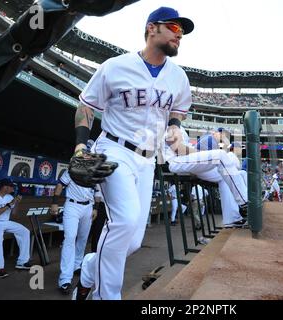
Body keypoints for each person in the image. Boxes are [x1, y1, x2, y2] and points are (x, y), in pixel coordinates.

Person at [72, 7, 195, 300]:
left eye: (183, 33)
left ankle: (89, 270)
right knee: (124, 221)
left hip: (147, 158)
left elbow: (178, 111)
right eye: (175, 29)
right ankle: (106, 296)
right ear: (152, 28)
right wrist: (80, 145)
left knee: (132, 241)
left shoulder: (178, 77)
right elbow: (86, 107)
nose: (180, 36)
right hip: (114, 148)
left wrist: (175, 127)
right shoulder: (116, 66)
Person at [50, 169, 98, 294]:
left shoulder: (94, 171)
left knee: (83, 238)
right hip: (72, 206)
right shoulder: (72, 170)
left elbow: (97, 191)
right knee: (70, 238)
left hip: (88, 207)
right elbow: (60, 184)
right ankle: (65, 279)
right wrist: (54, 203)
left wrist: (95, 208)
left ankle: (77, 265)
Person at [0, 179, 31, 278]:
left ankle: (22, 262)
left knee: (24, 231)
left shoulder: (9, 197)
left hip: (5, 223)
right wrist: (9, 204)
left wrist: (16, 202)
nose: (13, 188)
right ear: (5, 187)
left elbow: (14, 213)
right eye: (11, 187)